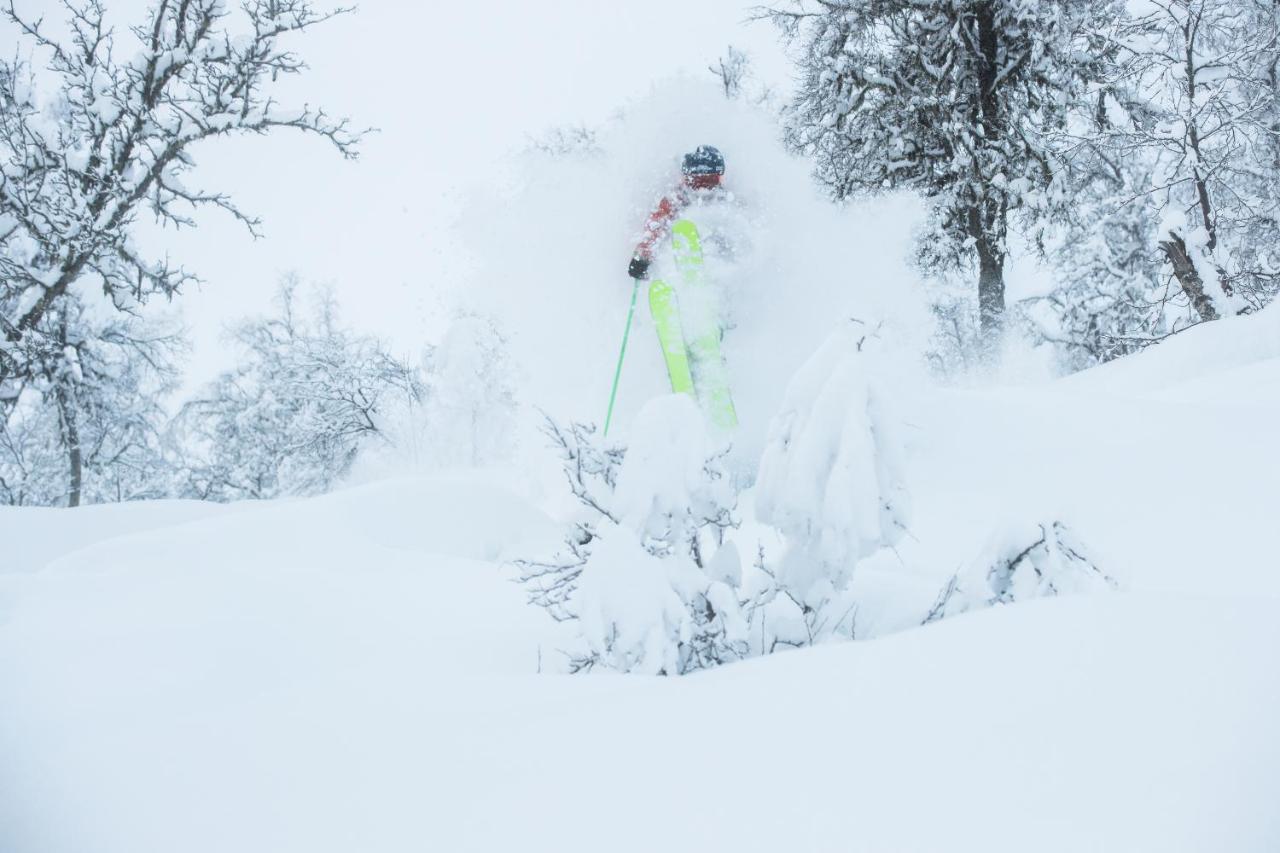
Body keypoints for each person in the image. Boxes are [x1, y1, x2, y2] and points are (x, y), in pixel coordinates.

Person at [627, 145, 726, 280]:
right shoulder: (677, 199)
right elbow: (656, 226)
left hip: (718, 265)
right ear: (686, 179)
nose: (703, 188)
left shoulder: (727, 200)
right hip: (680, 260)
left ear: (720, 178)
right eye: (696, 181)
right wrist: (643, 257)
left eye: (709, 181)